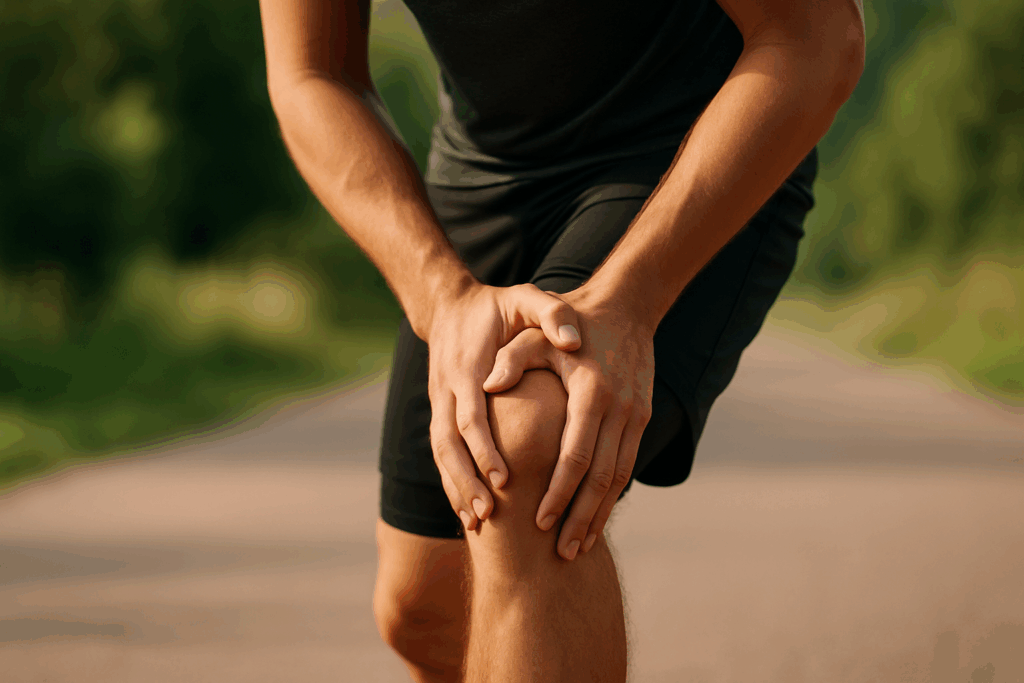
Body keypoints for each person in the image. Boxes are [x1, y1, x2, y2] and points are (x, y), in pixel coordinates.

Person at [258, 0, 865, 680]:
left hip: (691, 136)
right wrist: (443, 297)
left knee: (534, 437)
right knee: (424, 602)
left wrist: (629, 302)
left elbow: (815, 36)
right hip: (487, 165)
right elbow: (312, 73)